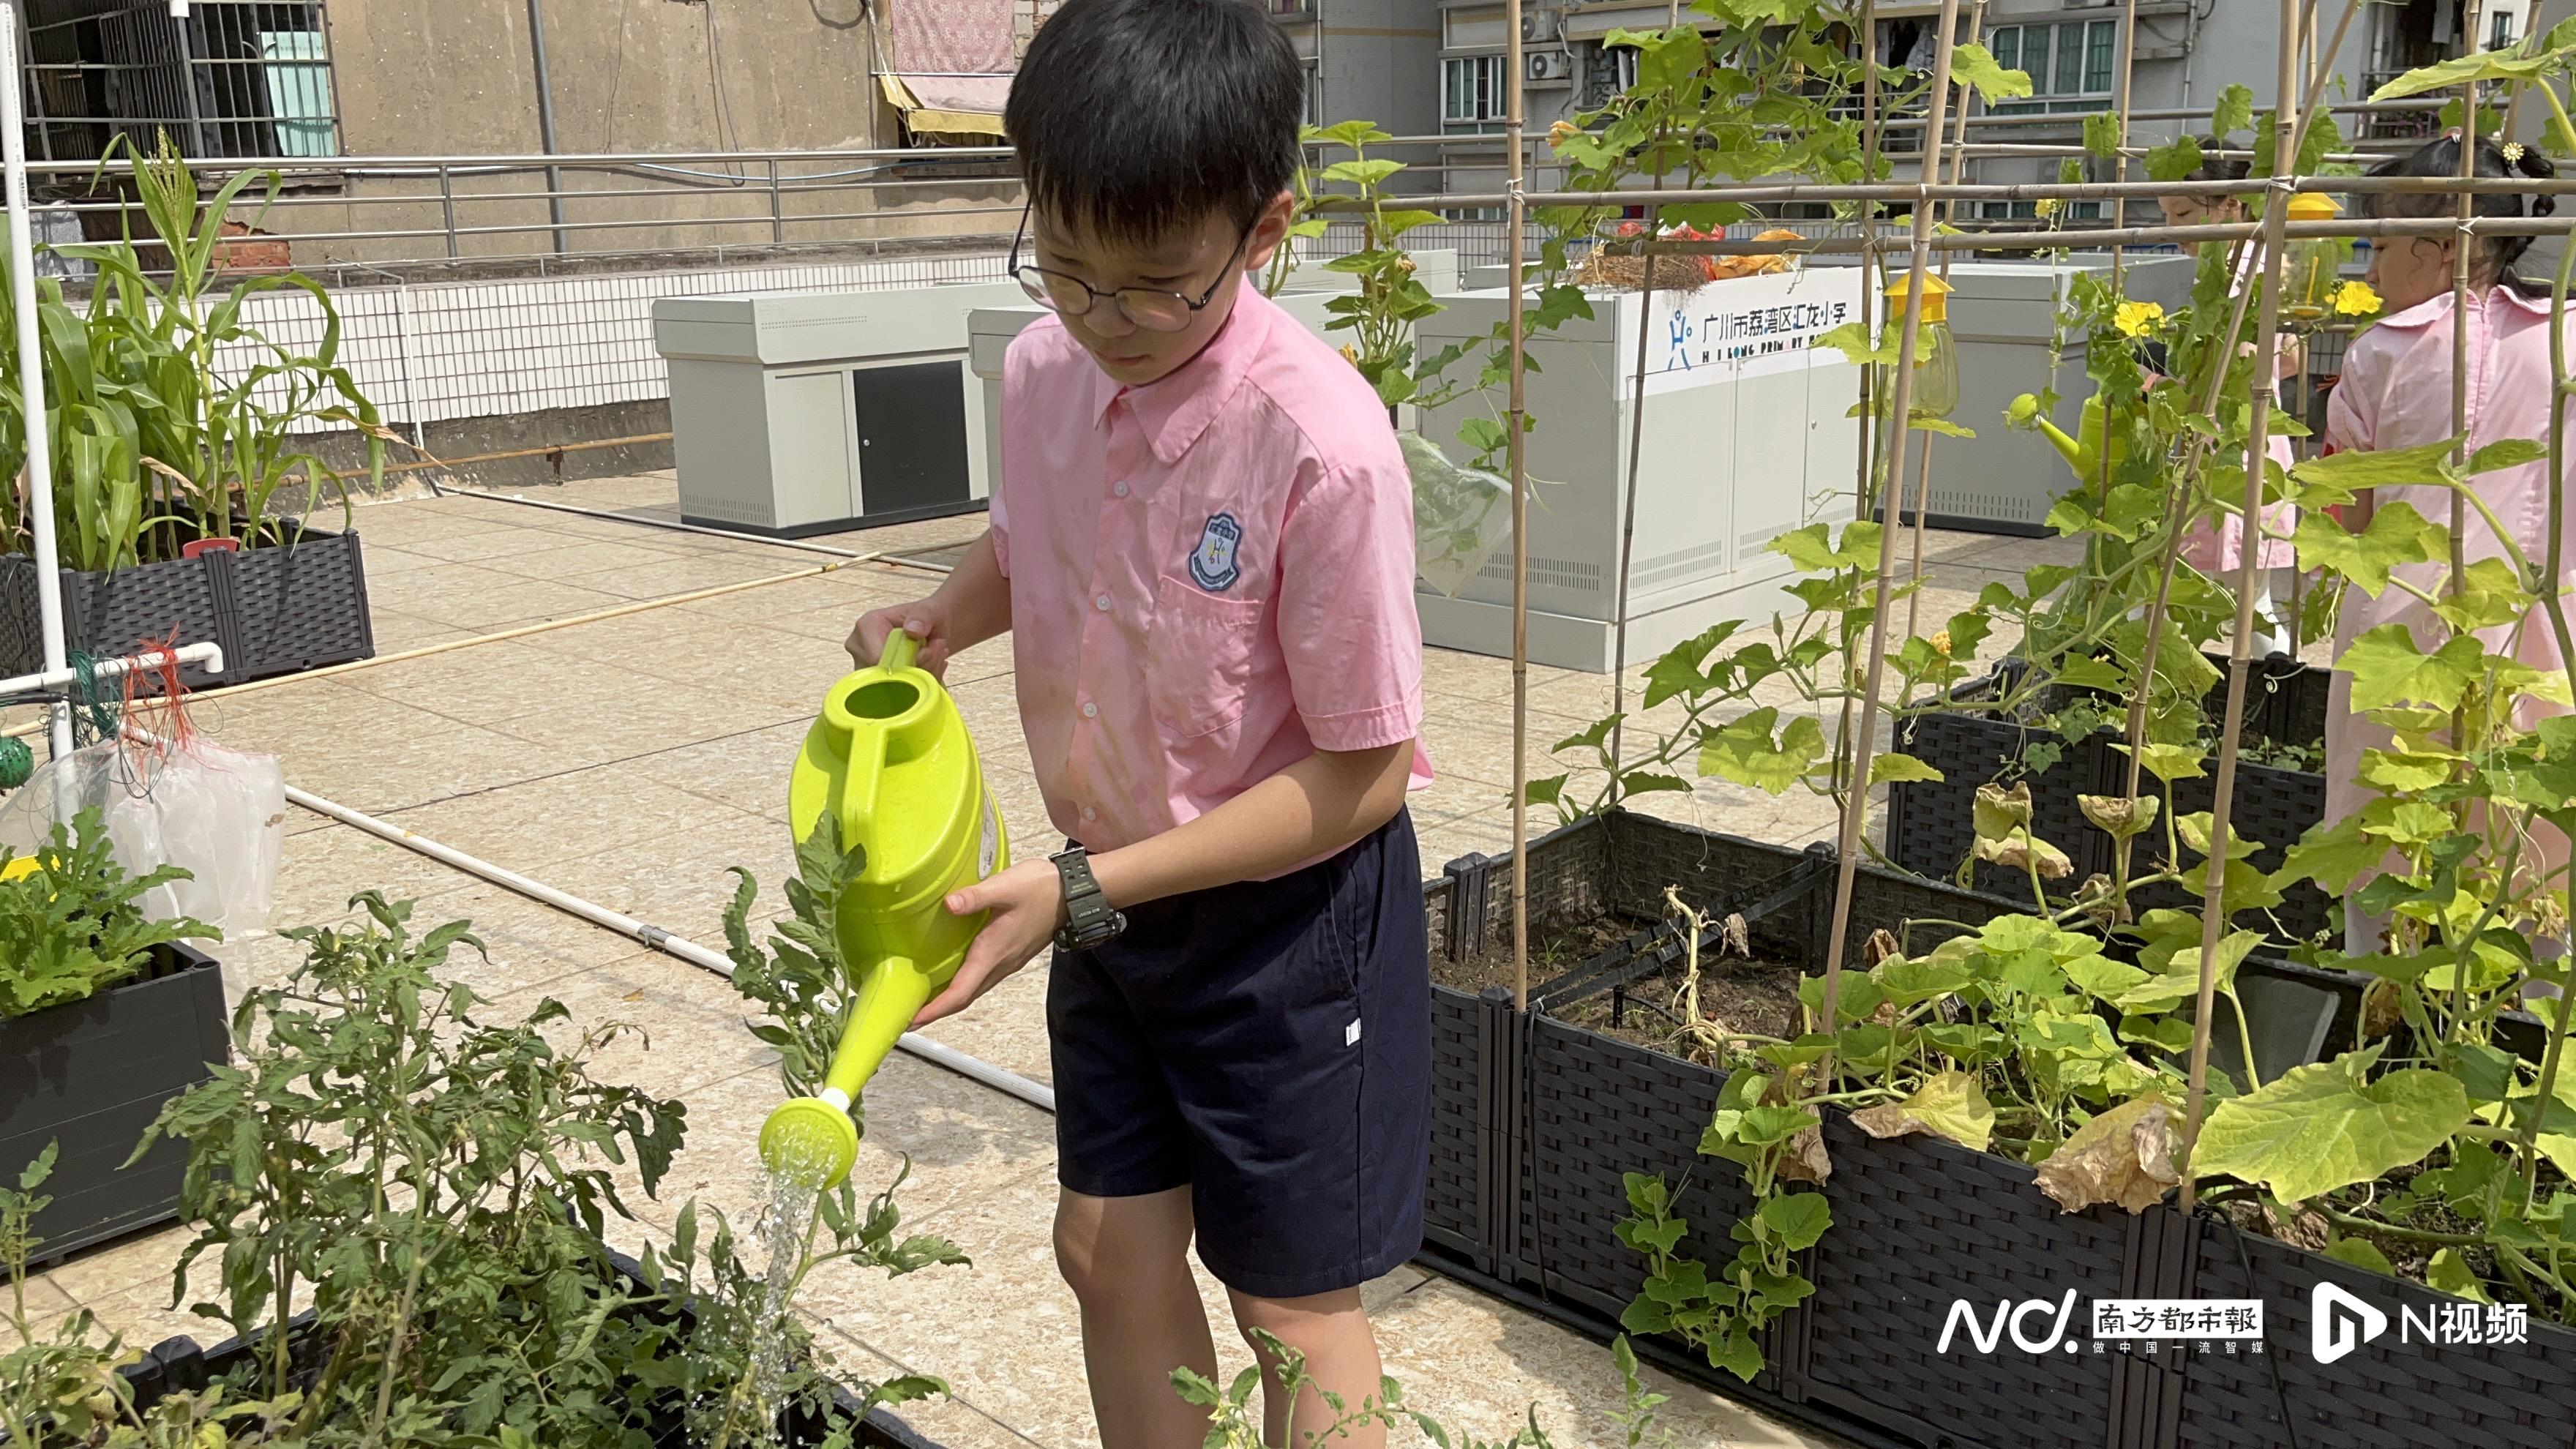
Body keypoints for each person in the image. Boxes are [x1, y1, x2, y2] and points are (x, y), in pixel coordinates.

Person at [843, 1, 1434, 1442]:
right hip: (1100, 894)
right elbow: (1026, 546)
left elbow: (1357, 779)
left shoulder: (1320, 447)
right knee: (1103, 1249)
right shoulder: (1044, 372)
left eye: (1156, 285)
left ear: (1263, 228)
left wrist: (1078, 890)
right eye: (1063, 268)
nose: (1105, 319)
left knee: (1289, 1308)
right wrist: (932, 622)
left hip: (1285, 927)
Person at [2322, 131, 2568, 951]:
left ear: (2435, 249)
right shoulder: (2565, 337)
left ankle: (2375, 983)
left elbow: (2349, 519)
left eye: (2377, 246)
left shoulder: (2377, 354)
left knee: (2382, 816)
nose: (2367, 270)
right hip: (2543, 619)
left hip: (2404, 621)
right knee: (2530, 823)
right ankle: (2532, 1002)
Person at [2156, 141, 2302, 655]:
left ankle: (2275, 677)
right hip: (2244, 436)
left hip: (2234, 442)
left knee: (2222, 595)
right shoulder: (2254, 267)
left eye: (2185, 214)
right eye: (2169, 216)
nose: (2175, 230)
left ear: (2232, 206)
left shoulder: (2241, 276)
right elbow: (2285, 359)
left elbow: (2255, 364)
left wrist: (2164, 388)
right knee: (2241, 597)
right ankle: (2274, 678)